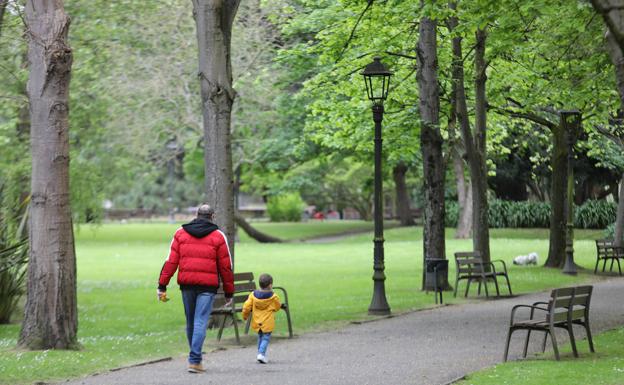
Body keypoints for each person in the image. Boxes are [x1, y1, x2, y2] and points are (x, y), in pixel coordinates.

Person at [157, 204, 234, 373]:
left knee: (191, 321)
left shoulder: (180, 233)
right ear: (212, 217)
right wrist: (229, 293)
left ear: (197, 215)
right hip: (207, 286)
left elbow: (171, 261)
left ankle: (194, 359)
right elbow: (226, 267)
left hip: (187, 284)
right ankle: (195, 360)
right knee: (200, 320)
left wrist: (162, 286)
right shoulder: (218, 236)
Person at [242, 273, 284, 364]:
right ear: (270, 285)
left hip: (257, 321)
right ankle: (261, 354)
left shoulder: (253, 295)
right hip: (267, 322)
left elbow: (246, 307)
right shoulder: (274, 297)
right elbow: (277, 307)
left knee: (260, 336)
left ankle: (260, 354)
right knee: (265, 338)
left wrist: (245, 316)